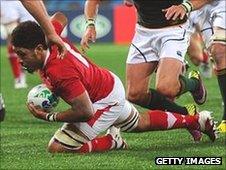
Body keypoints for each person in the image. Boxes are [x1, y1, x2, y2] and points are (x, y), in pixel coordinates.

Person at [11, 12, 217, 153]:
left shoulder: (59, 72)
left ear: (39, 49)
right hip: (107, 85)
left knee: (57, 147)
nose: (20, 60)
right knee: (139, 124)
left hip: (102, 101)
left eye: (22, 54)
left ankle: (112, 141)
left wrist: (49, 116)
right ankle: (197, 120)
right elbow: (60, 17)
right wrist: (50, 32)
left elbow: (85, 111)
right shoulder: (50, 40)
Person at [80, 0, 207, 117]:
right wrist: (90, 24)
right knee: (134, 94)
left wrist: (185, 6)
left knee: (166, 88)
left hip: (173, 30)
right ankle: (187, 114)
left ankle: (194, 83)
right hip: (143, 33)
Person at [164, 0, 226, 132]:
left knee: (219, 50)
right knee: (198, 58)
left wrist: (186, 6)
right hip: (193, 7)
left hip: (219, 3)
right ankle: (197, 77)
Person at [0, 1, 36, 88]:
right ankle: (19, 77)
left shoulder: (16, 3)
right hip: (7, 23)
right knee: (13, 49)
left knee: (18, 49)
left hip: (15, 22)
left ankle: (20, 76)